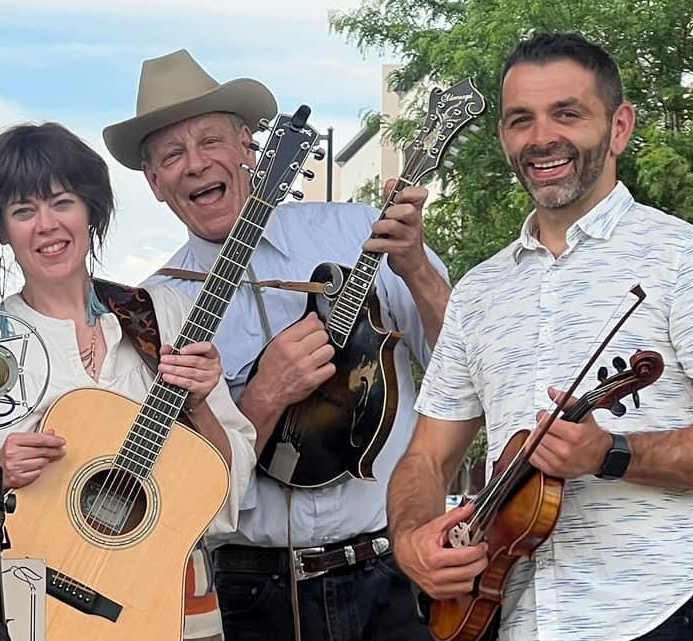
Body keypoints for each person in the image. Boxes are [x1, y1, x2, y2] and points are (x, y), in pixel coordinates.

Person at [390, 32, 693, 641]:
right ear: (504, 137)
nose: (541, 137)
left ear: (619, 126)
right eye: (521, 119)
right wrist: (412, 540)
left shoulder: (689, 259)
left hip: (649, 617)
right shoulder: (478, 289)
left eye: (567, 113)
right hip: (504, 617)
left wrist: (612, 454)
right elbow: (426, 457)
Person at [106, 50, 450, 641]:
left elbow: (464, 368)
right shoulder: (153, 310)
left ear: (249, 146)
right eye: (171, 155)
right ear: (154, 183)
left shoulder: (358, 231)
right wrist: (262, 396)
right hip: (252, 597)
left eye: (210, 141)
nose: (195, 165)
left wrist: (417, 269)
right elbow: (171, 487)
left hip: (392, 573)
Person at [0, 122, 261, 640]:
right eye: (23, 211)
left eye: (62, 202)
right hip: (38, 612)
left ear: (91, 210)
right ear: (1, 231)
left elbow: (226, 496)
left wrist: (198, 404)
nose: (47, 226)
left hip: (170, 605)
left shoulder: (162, 313)